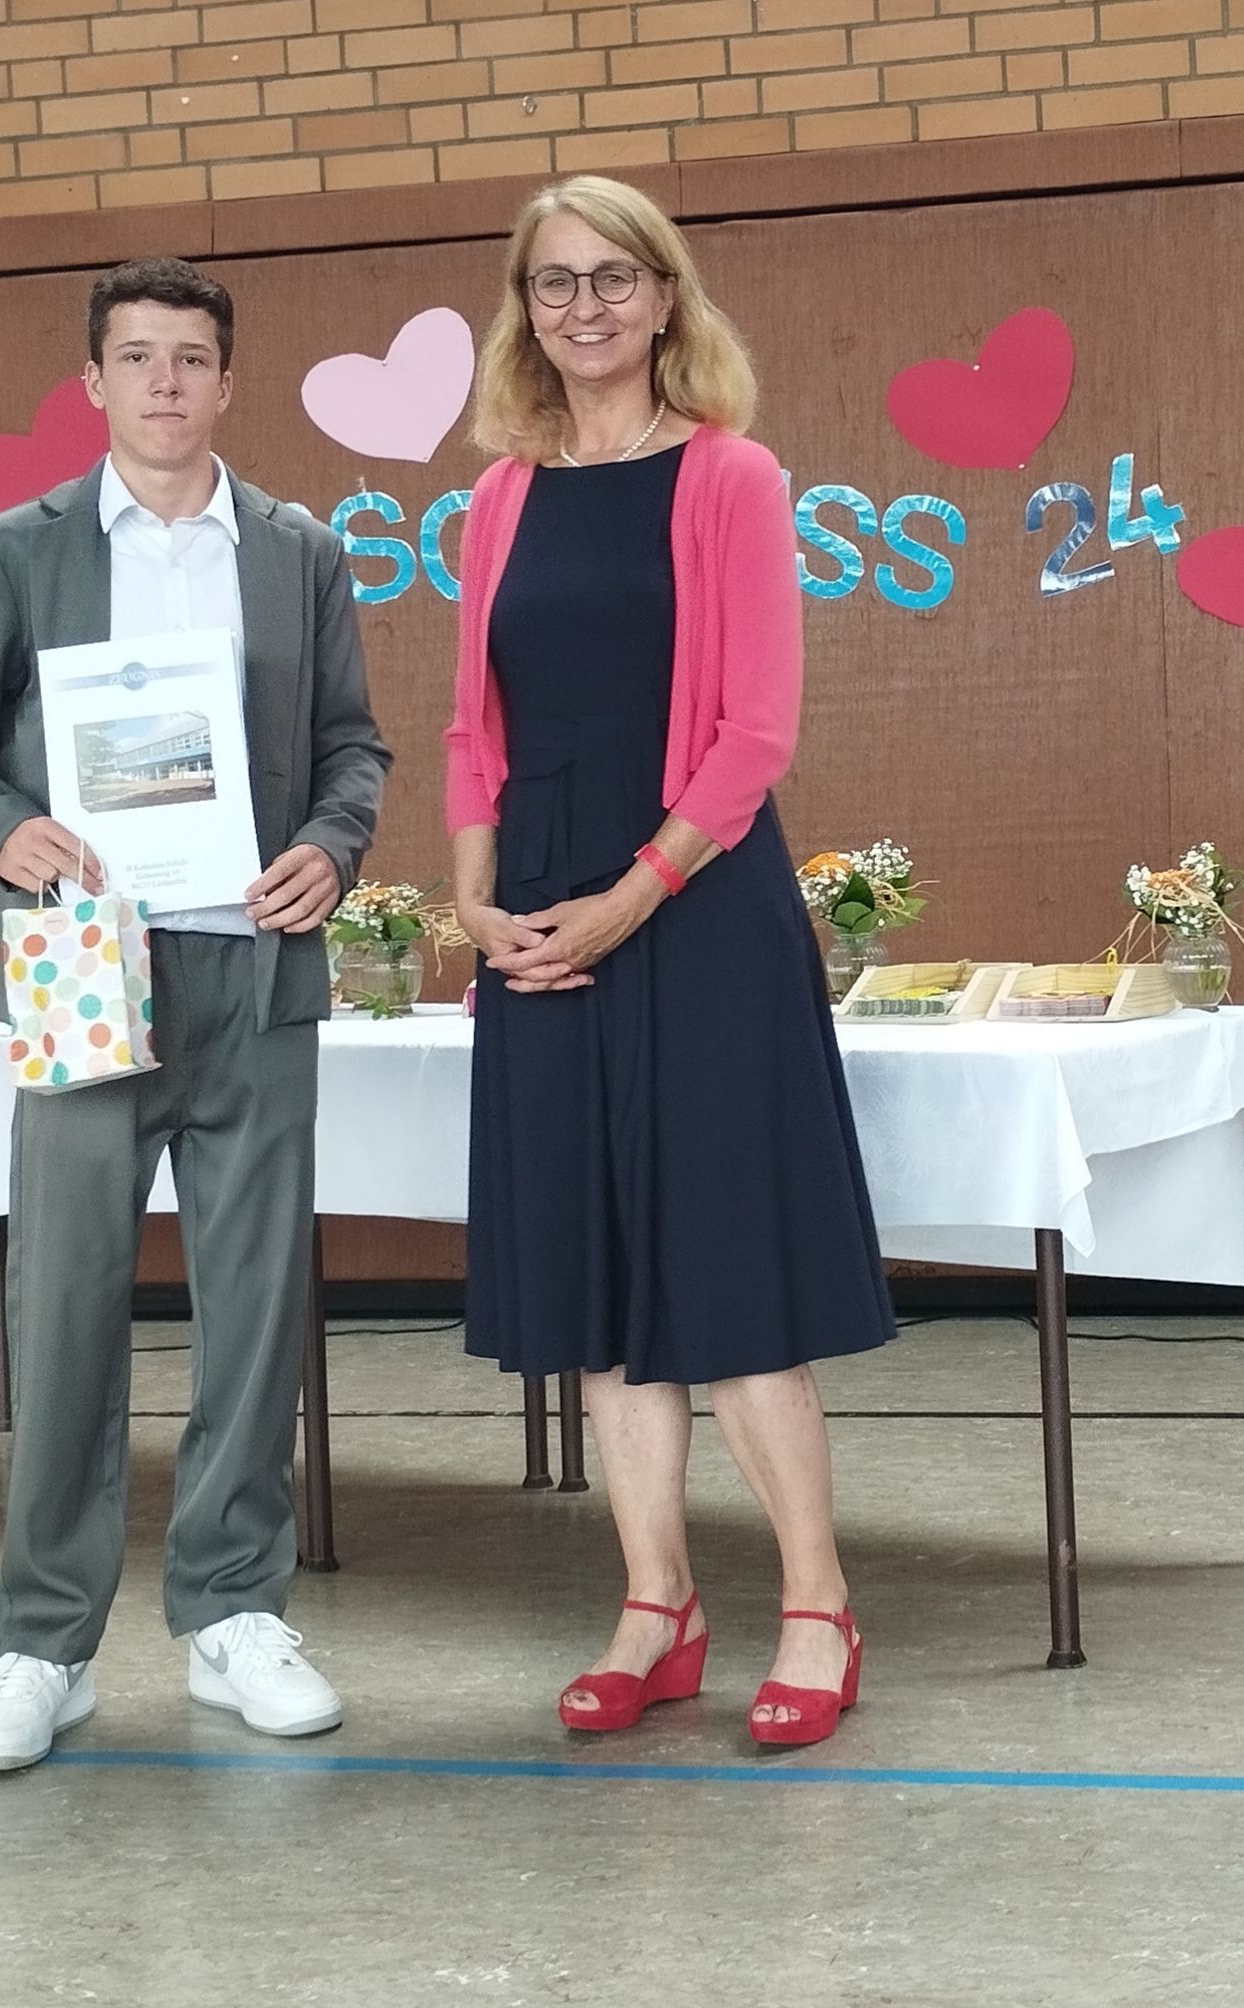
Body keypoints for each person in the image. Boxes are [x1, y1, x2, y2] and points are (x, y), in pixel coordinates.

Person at [0, 257, 390, 1773]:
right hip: (83, 971)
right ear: (94, 383)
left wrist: (333, 845)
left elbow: (352, 747)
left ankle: (234, 1612)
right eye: (137, 357)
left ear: (227, 384)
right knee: (62, 1312)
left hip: (253, 972)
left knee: (253, 1308)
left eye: (191, 358)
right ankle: (44, 1645)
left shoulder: (300, 550)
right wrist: (4, 831)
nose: (166, 382)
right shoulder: (18, 548)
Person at [446, 177, 895, 1749]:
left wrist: (627, 899)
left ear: (662, 298)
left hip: (695, 906)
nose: (583, 308)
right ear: (524, 310)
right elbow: (472, 729)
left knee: (727, 1273)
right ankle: (657, 1606)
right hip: (541, 906)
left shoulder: (731, 476)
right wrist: (475, 903)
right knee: (594, 1277)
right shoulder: (499, 497)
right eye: (553, 282)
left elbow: (754, 732)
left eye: (612, 279)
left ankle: (817, 1606)